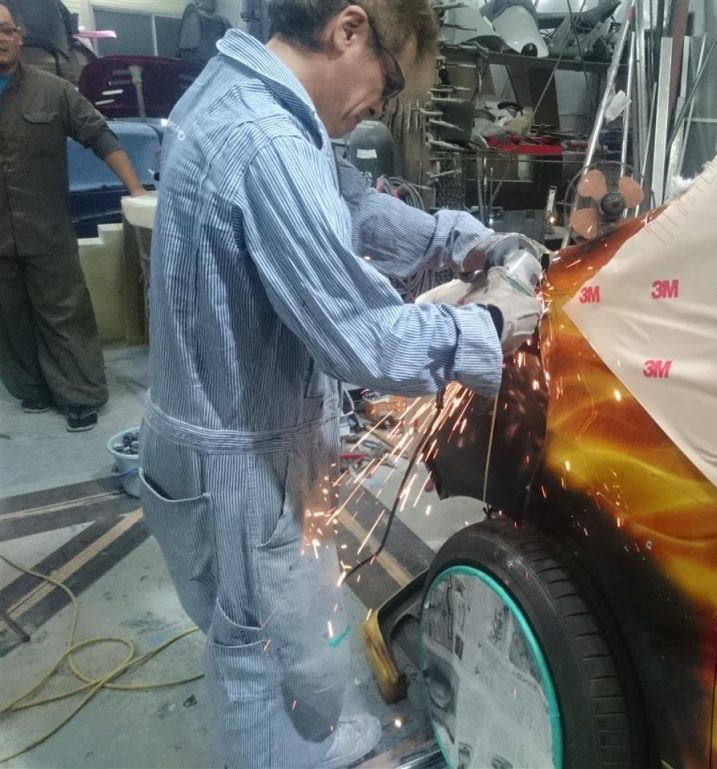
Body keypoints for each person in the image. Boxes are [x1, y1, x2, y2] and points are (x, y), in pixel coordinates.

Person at [139, 0, 543, 766]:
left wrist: (466, 242)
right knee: (258, 653)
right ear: (347, 30)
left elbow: (345, 210)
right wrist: (492, 325)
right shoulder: (264, 140)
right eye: (386, 82)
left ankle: (313, 738)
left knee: (285, 628)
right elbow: (363, 338)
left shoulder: (239, 90)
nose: (379, 107)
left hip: (221, 439)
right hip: (241, 465)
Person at [0, 2, 147, 432]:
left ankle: (80, 396)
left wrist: (136, 190)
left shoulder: (53, 91)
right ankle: (31, 389)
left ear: (20, 36)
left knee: (66, 316)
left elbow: (100, 136)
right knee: (9, 319)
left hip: (47, 231)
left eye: (6, 30)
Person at [176, 0, 232, 67]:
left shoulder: (192, 12)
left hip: (195, 68)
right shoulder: (225, 21)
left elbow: (186, 51)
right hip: (213, 68)